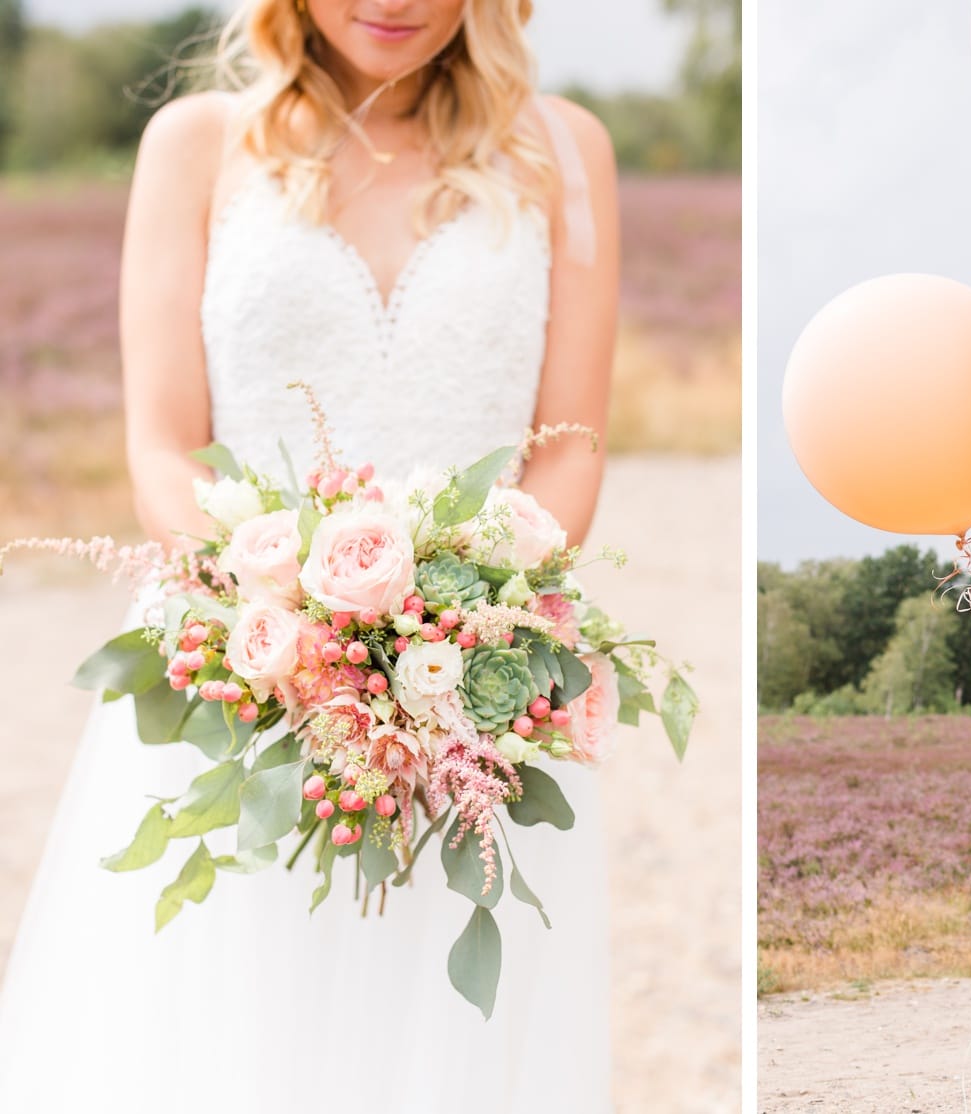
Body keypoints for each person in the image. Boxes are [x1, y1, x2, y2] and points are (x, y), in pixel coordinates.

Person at [0, 1, 620, 1107]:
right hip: (244, 665)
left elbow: (570, 452)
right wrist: (299, 625)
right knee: (219, 1028)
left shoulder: (566, 149)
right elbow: (160, 446)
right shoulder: (195, 144)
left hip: (473, 691)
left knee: (444, 1042)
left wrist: (454, 621)